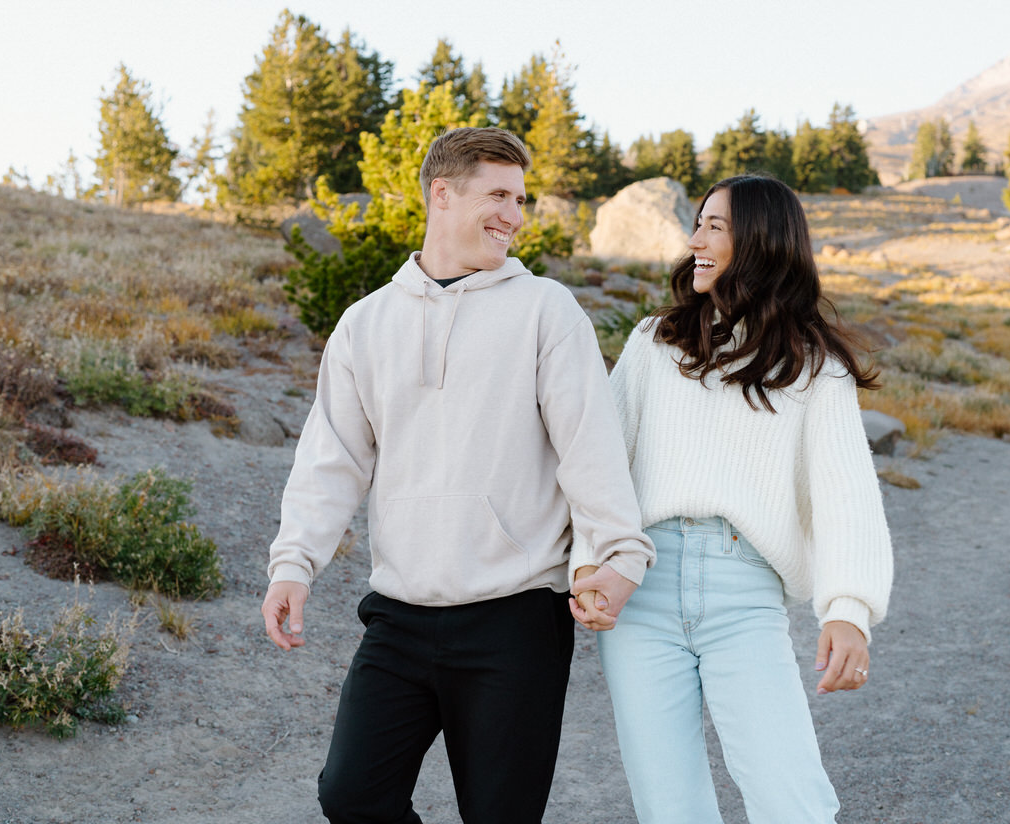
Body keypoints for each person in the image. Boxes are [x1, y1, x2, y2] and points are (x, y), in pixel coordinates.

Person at [261, 126, 655, 824]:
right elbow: (332, 459)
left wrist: (619, 554)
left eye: (522, 199)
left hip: (516, 617)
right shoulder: (364, 323)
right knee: (351, 795)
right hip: (400, 616)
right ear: (442, 193)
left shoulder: (546, 310)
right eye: (499, 194)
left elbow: (589, 450)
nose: (514, 214)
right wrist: (294, 563)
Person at [570, 174, 892, 823]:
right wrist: (588, 564)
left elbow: (845, 494)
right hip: (641, 590)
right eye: (698, 224)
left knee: (789, 797)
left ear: (761, 242)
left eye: (715, 226)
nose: (695, 241)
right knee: (669, 807)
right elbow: (599, 465)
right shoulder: (653, 343)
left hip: (743, 593)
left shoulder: (812, 367)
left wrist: (849, 608)